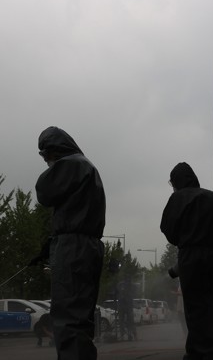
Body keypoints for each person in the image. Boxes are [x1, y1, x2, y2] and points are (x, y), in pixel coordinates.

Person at [29, 126, 106, 360]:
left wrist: (60, 244)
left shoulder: (71, 164)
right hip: (85, 245)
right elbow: (74, 213)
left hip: (73, 248)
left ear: (54, 150)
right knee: (79, 318)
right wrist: (50, 247)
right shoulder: (86, 166)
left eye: (45, 155)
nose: (46, 161)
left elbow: (44, 192)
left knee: (68, 319)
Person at [160, 162, 213, 360]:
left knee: (195, 309)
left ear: (176, 182)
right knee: (207, 306)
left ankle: (208, 354)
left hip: (191, 257)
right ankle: (198, 352)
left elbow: (168, 230)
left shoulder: (177, 198)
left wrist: (184, 238)